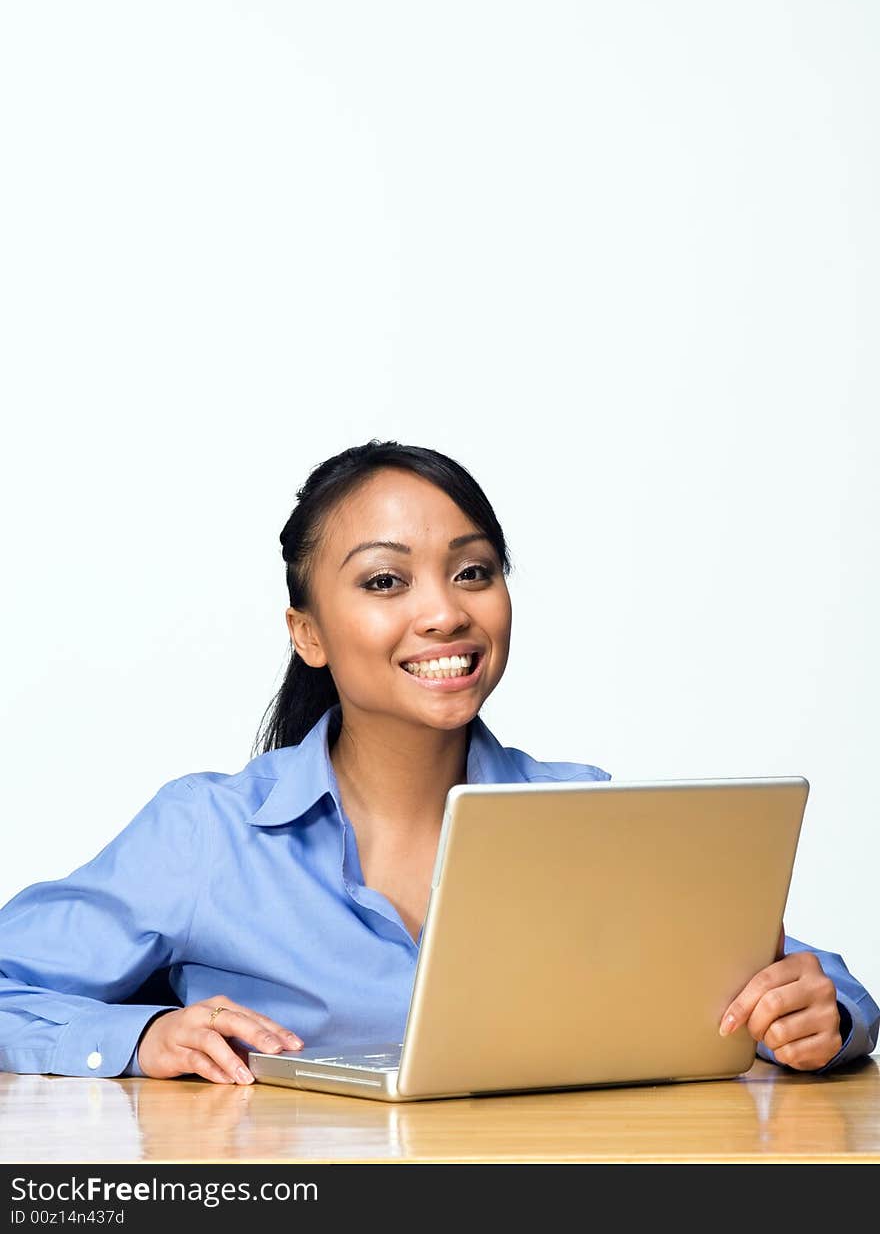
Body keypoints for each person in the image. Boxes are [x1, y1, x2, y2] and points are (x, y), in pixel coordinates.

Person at [0, 440, 877, 1086]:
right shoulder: (208, 836)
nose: (444, 613)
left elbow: (795, 984)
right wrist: (141, 1038)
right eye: (386, 582)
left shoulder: (591, 816)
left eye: (473, 572)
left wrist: (820, 1015)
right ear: (307, 633)